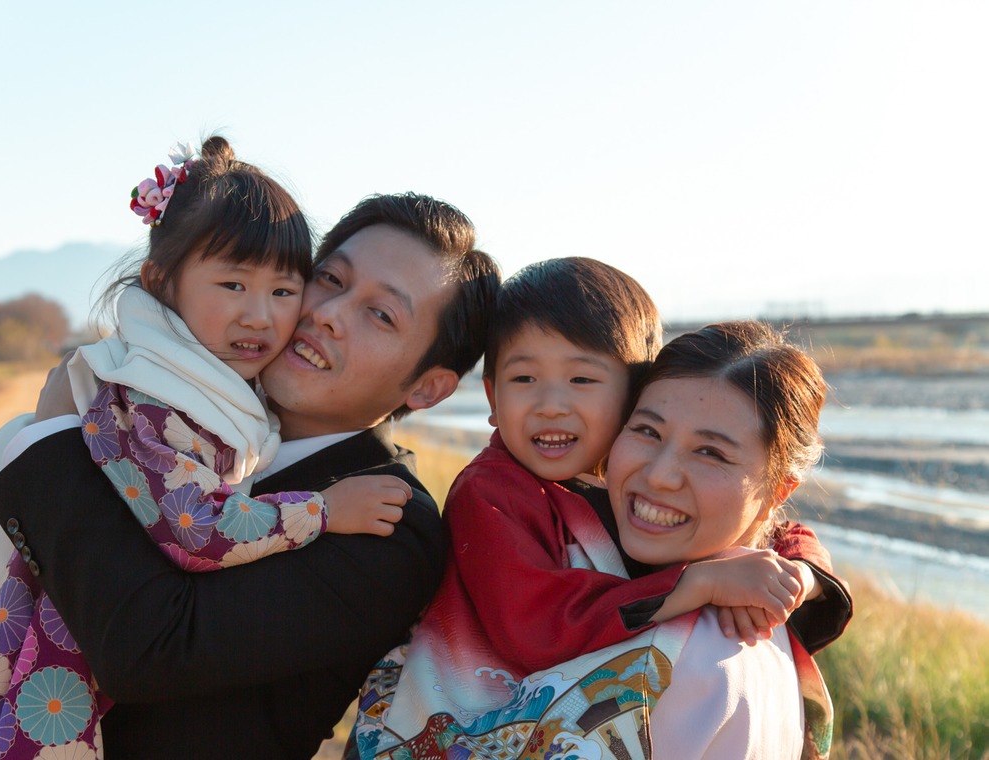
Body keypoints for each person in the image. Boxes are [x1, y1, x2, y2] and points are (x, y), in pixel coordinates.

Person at [0, 137, 414, 760]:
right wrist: (323, 510)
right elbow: (194, 529)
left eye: (282, 290)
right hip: (26, 651)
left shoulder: (189, 380)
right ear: (161, 281)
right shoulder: (159, 399)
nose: (261, 317)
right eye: (232, 284)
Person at [0, 192, 502, 758]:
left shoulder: (388, 521)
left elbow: (149, 648)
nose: (327, 314)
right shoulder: (198, 418)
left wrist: (54, 442)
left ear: (428, 388)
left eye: (381, 315)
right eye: (330, 279)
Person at [345, 260, 850, 759]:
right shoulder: (491, 491)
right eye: (524, 379)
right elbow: (537, 623)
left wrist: (795, 578)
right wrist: (698, 583)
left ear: (629, 398)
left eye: (582, 381)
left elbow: (787, 536)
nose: (551, 405)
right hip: (441, 734)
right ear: (492, 397)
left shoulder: (604, 479)